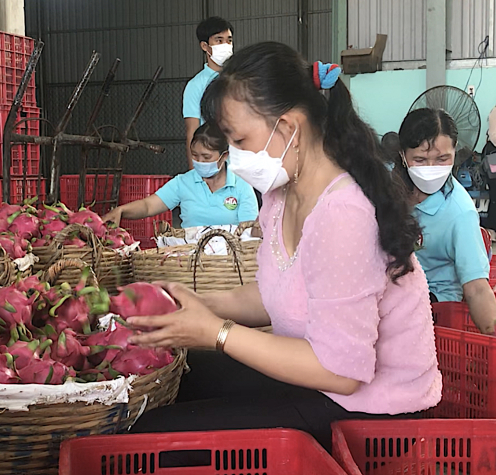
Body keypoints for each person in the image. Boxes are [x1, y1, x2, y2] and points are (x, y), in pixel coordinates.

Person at [126, 42, 441, 450]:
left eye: (239, 140)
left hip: (373, 414)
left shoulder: (343, 212)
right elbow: (279, 293)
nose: (234, 157)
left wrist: (217, 333)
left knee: (154, 440)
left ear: (289, 128)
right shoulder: (281, 194)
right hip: (320, 382)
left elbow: (341, 372)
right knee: (176, 383)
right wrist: (203, 304)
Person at [394, 108, 496, 333]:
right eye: (420, 160)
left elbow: (477, 288)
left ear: (455, 151)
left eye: (442, 159)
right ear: (403, 156)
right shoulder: (389, 193)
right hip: (395, 294)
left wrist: (491, 332)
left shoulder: (460, 212)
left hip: (435, 308)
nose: (430, 169)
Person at [103, 122, 258, 228]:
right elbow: (148, 206)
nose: (199, 161)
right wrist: (121, 211)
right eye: (195, 155)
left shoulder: (241, 185)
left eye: (206, 157)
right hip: (189, 262)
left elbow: (249, 231)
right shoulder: (184, 182)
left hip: (229, 263)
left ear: (224, 156)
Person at [183, 16, 234, 170]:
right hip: (214, 166)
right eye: (219, 40)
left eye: (229, 40)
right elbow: (192, 131)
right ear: (205, 46)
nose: (225, 45)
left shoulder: (242, 79)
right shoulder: (195, 85)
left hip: (243, 166)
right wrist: (195, 173)